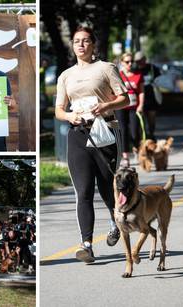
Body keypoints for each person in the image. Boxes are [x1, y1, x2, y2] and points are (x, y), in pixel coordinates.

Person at [54, 26, 129, 263]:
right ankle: (86, 245)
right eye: (77, 41)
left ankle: (115, 221)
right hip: (78, 133)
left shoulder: (106, 68)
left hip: (105, 130)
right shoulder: (65, 75)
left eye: (86, 41)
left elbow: (124, 98)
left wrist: (105, 106)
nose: (81, 45)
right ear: (72, 45)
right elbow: (58, 110)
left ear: (93, 45)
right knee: (83, 191)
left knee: (108, 188)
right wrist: (69, 117)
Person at [117, 52, 144, 167]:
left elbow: (141, 91)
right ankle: (125, 157)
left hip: (134, 107)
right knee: (123, 131)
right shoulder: (118, 75)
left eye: (131, 61)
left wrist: (141, 105)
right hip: (121, 107)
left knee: (135, 131)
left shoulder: (138, 75)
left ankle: (136, 149)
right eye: (127, 62)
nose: (130, 64)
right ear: (122, 63)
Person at [134, 51, 161, 140]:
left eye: (140, 60)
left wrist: (156, 83)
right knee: (141, 120)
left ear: (145, 59)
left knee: (151, 119)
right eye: (137, 61)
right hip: (139, 98)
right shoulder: (135, 70)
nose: (139, 62)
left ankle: (152, 135)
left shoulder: (152, 68)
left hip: (151, 97)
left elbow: (160, 80)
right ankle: (144, 138)